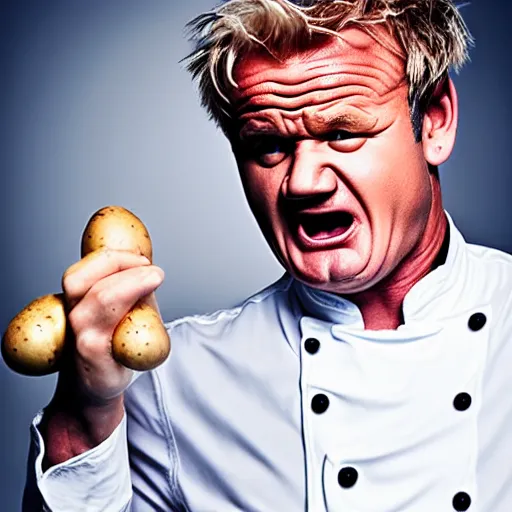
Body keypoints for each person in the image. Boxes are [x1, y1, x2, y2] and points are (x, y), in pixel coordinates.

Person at [22, 0, 512, 511]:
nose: (302, 182)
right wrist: (86, 410)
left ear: (434, 122)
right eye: (268, 146)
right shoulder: (174, 383)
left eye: (342, 133)